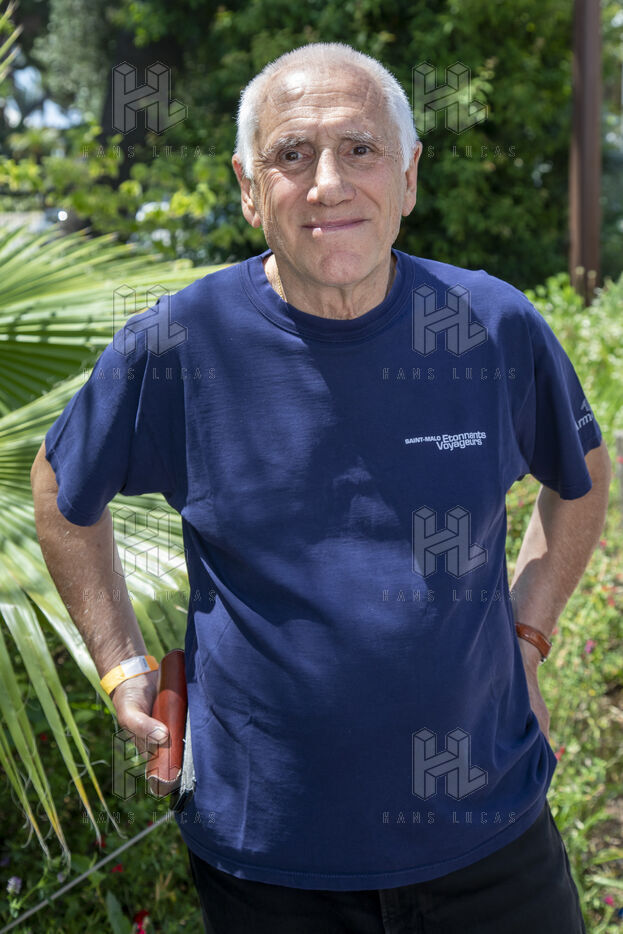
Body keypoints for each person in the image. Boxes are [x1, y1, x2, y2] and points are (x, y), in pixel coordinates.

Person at [31, 41, 610, 934]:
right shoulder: (180, 343)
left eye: (360, 149)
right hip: (269, 862)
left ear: (407, 177)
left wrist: (527, 637)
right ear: (248, 188)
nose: (328, 184)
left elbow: (580, 476)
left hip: (491, 840)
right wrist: (122, 668)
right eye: (291, 155)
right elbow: (63, 489)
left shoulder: (488, 325)